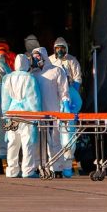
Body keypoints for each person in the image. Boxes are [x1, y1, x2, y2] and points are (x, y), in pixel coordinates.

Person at [30, 47, 72, 177]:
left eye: (38, 56)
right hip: (38, 113)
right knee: (38, 142)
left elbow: (63, 91)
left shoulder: (56, 71)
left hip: (53, 112)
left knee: (54, 141)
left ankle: (57, 168)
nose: (36, 59)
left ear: (44, 55)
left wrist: (65, 104)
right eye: (34, 57)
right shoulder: (34, 74)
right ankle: (40, 167)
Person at [1, 54, 42, 178]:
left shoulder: (7, 78)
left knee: (12, 142)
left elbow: (5, 99)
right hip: (27, 115)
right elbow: (33, 98)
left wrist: (5, 114)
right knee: (27, 142)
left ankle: (11, 170)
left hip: (12, 113)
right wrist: (37, 116)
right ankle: (28, 170)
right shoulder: (30, 78)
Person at [49, 37, 83, 176]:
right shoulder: (50, 60)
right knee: (53, 136)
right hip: (54, 99)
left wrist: (71, 93)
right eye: (57, 48)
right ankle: (55, 167)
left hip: (68, 97)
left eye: (62, 48)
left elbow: (77, 78)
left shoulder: (72, 61)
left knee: (69, 137)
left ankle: (67, 166)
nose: (60, 50)